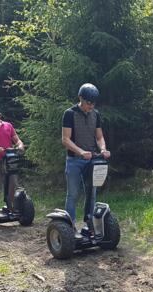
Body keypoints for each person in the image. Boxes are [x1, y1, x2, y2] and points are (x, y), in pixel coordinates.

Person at [61, 84, 111, 234]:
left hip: (91, 161)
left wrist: (103, 149)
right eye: (88, 102)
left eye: (93, 103)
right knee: (73, 194)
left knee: (91, 193)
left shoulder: (95, 114)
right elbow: (65, 139)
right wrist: (81, 151)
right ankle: (69, 228)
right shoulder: (69, 114)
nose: (91, 105)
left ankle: (89, 225)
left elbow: (100, 136)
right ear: (80, 98)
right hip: (74, 161)